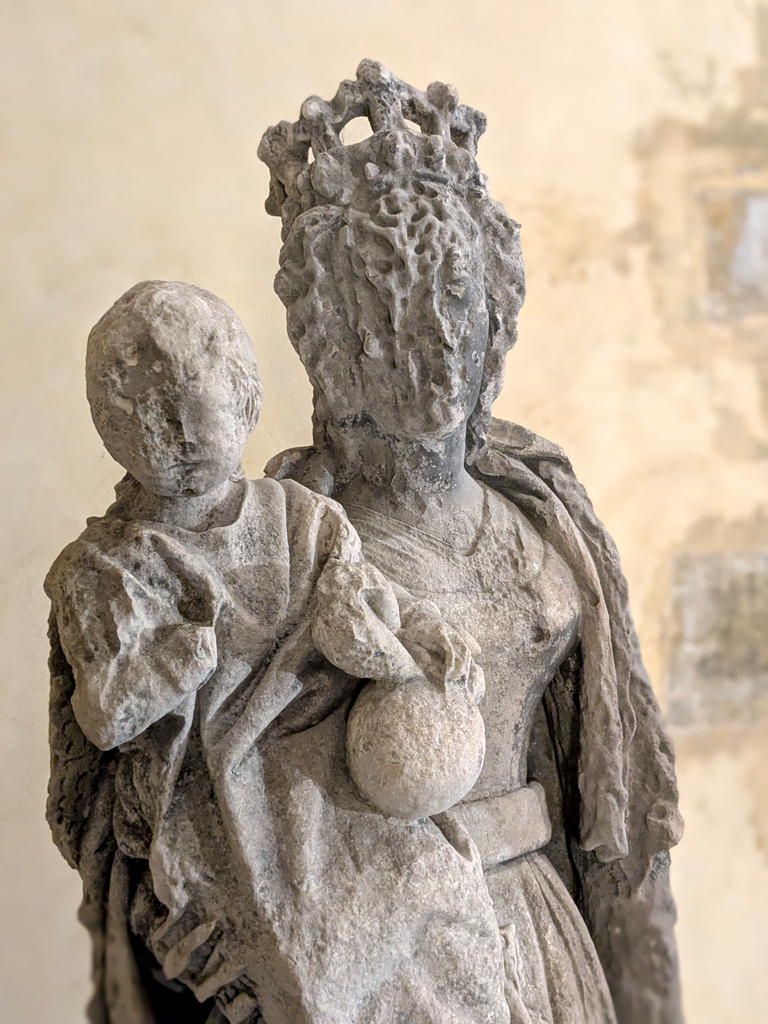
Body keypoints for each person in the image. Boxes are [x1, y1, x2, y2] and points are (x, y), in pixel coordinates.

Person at [261, 60, 684, 1024]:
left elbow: (610, 798)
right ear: (327, 334)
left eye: (451, 292)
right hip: (386, 953)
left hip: (538, 927)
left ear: (495, 304)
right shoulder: (289, 540)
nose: (430, 337)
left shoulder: (544, 506)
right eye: (384, 299)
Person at [45, 280, 511, 1024]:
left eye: (196, 408)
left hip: (334, 770)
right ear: (108, 426)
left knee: (441, 891)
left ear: (247, 399)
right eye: (147, 417)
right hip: (221, 792)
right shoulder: (106, 566)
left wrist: (423, 631)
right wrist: (176, 660)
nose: (179, 435)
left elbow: (376, 597)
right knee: (304, 960)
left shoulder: (302, 517)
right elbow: (103, 717)